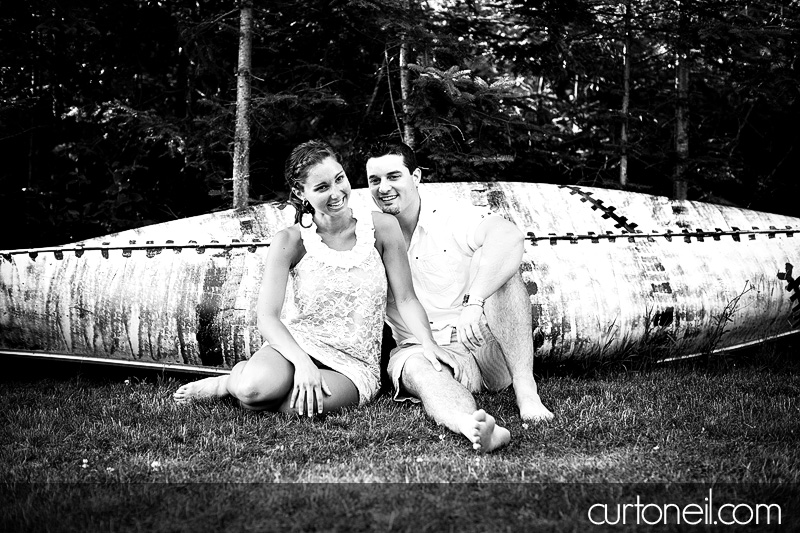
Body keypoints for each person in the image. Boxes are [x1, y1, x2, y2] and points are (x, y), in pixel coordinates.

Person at [174, 141, 505, 450]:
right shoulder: (290, 240)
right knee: (254, 390)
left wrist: (429, 344)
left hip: (353, 361)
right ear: (299, 192)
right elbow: (268, 317)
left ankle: (258, 381)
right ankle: (228, 383)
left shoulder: (381, 228)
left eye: (339, 179)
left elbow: (405, 299)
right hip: (297, 345)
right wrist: (302, 363)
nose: (336, 193)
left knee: (295, 406)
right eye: (321, 188)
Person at [365, 142, 554, 451]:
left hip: (481, 344)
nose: (383, 187)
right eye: (375, 180)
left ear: (416, 177)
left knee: (500, 271)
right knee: (416, 368)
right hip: (424, 351)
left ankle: (527, 393)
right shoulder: (369, 235)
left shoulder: (450, 216)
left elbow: (509, 236)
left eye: (394, 176)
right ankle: (472, 425)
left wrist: (475, 302)